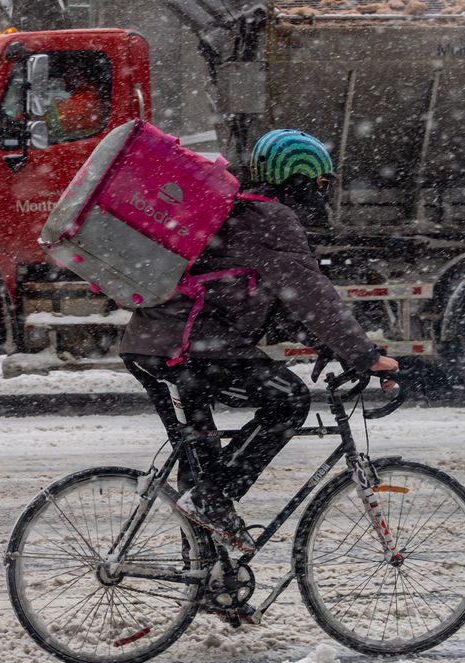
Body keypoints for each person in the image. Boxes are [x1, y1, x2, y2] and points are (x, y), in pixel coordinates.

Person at [119, 129, 399, 553]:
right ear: (300, 177)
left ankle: (213, 582)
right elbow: (308, 290)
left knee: (203, 467)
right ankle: (214, 502)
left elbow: (272, 297)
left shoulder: (242, 213)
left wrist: (322, 343)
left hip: (154, 344)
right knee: (289, 400)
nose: (323, 195)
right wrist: (363, 354)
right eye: (320, 183)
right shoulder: (271, 218)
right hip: (187, 347)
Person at [48, 64, 106, 140]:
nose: (67, 79)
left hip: (83, 144)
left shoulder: (87, 98)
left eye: (72, 74)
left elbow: (60, 119)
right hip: (80, 142)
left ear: (83, 77)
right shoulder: (85, 94)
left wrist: (37, 116)